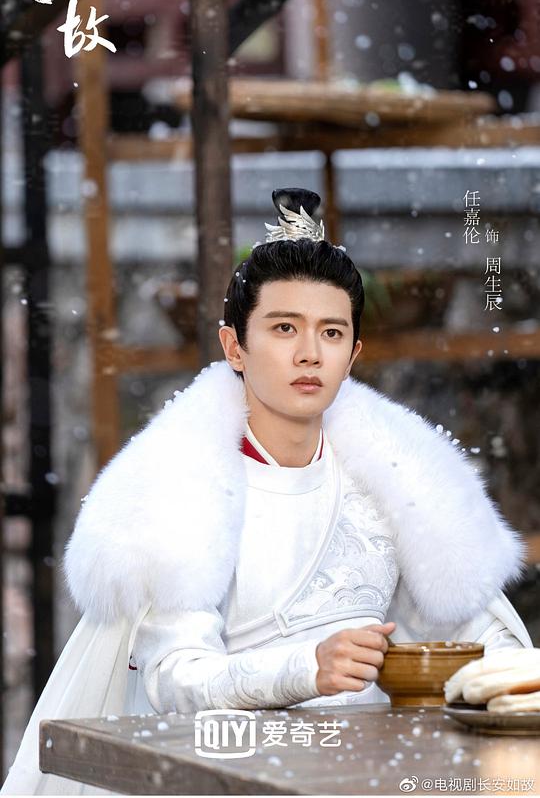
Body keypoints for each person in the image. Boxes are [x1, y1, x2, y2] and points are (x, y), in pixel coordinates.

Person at [3, 187, 533, 795]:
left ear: (353, 353)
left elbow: (478, 636)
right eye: (285, 328)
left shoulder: (392, 481)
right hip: (225, 775)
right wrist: (306, 668)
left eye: (331, 333)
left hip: (373, 773)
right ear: (235, 346)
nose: (310, 354)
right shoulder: (184, 490)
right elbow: (174, 679)